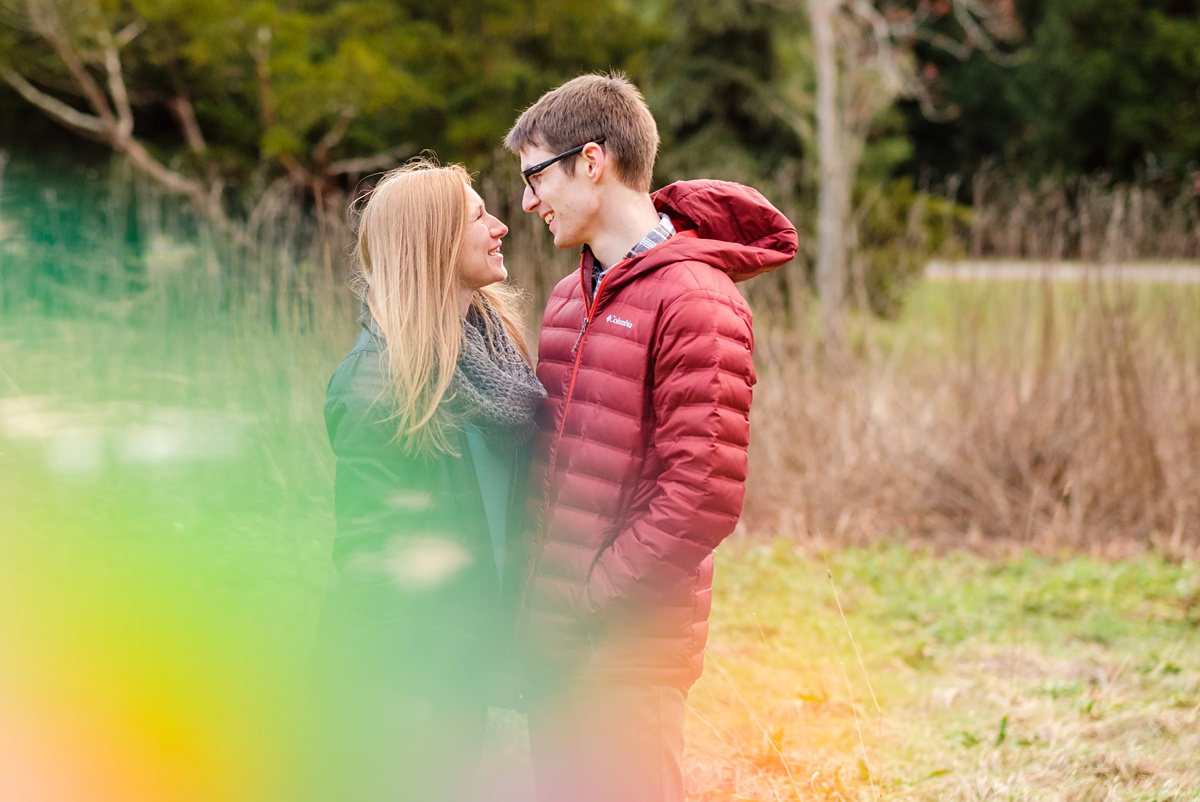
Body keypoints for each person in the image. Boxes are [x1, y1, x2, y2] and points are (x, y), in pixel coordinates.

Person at [504, 73, 799, 802]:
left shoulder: (698, 301)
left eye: (536, 176)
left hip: (629, 656)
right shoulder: (571, 295)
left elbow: (701, 497)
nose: (526, 202)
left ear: (593, 161)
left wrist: (586, 601)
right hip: (556, 650)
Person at [311, 158, 545, 802]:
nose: (500, 226)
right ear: (432, 242)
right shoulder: (376, 382)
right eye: (478, 216)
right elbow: (371, 559)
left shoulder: (493, 352)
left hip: (464, 674)